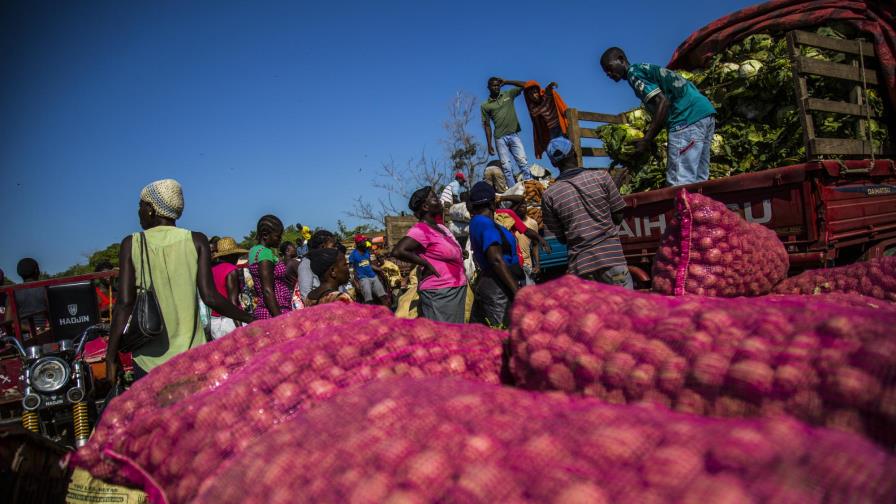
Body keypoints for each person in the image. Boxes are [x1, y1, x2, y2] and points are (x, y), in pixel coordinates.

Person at [105, 179, 252, 382]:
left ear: (150, 209)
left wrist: (111, 357)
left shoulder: (132, 244)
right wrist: (251, 320)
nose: (138, 212)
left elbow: (124, 303)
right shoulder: (197, 240)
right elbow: (210, 297)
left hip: (149, 361)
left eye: (140, 206)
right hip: (193, 357)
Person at [601, 47, 716, 186]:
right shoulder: (645, 68)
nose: (608, 73)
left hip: (685, 118)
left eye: (609, 67)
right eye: (605, 71)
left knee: (680, 183)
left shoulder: (634, 73)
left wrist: (647, 139)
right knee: (699, 180)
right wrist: (650, 137)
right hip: (705, 114)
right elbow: (664, 107)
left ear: (621, 59)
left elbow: (663, 102)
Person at [541, 137, 633, 289]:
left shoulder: (550, 195)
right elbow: (618, 216)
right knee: (626, 310)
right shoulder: (602, 177)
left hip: (581, 269)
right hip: (612, 261)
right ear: (575, 153)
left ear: (553, 163)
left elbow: (559, 238)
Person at [393, 187, 468, 323]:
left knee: (455, 337)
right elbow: (398, 251)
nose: (439, 200)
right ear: (425, 206)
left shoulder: (441, 228)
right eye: (434, 198)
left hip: (455, 288)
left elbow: (440, 251)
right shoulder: (421, 230)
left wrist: (459, 252)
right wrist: (425, 263)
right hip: (439, 292)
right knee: (443, 338)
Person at [467, 182, 524, 327]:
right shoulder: (483, 223)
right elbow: (496, 259)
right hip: (497, 286)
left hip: (499, 282)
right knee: (502, 333)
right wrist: (516, 291)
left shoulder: (484, 222)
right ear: (492, 204)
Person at [481, 77, 532, 184]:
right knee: (506, 167)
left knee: (522, 161)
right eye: (493, 85)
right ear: (488, 88)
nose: (496, 87)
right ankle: (513, 190)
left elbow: (526, 84)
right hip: (499, 138)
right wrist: (489, 144)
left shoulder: (508, 94)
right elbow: (487, 125)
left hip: (513, 134)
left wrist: (507, 81)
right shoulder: (485, 105)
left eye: (498, 85)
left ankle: (530, 185)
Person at [248, 215, 294, 319]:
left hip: (264, 310)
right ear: (265, 235)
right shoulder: (265, 253)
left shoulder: (253, 251)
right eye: (278, 236)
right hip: (276, 311)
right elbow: (267, 290)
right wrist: (279, 320)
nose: (280, 239)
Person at [209, 237, 249, 339]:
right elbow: (233, 301)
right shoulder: (231, 270)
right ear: (232, 255)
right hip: (231, 320)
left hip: (214, 320)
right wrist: (240, 328)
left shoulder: (212, 269)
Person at [522, 81, 569, 158]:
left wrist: (550, 86)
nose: (534, 96)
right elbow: (533, 114)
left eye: (535, 92)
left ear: (538, 91)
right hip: (551, 129)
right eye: (531, 95)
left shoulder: (546, 97)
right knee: (555, 150)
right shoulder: (534, 108)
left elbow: (548, 91)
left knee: (566, 146)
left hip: (560, 125)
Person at [4, 258, 49, 336]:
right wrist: (40, 329)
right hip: (45, 332)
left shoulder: (13, 293)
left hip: (24, 337)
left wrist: (31, 329)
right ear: (36, 271)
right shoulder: (44, 289)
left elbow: (8, 321)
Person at [349, 235, 389, 306]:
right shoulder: (353, 255)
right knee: (369, 300)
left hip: (373, 276)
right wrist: (355, 283)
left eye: (365, 241)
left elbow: (369, 264)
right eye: (363, 241)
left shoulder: (367, 252)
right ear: (358, 243)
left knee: (383, 296)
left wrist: (380, 269)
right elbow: (351, 270)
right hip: (363, 278)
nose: (365, 243)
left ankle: (388, 313)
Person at [298, 229, 338, 301]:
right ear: (323, 247)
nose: (336, 249)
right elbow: (306, 296)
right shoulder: (306, 264)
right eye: (334, 246)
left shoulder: (332, 262)